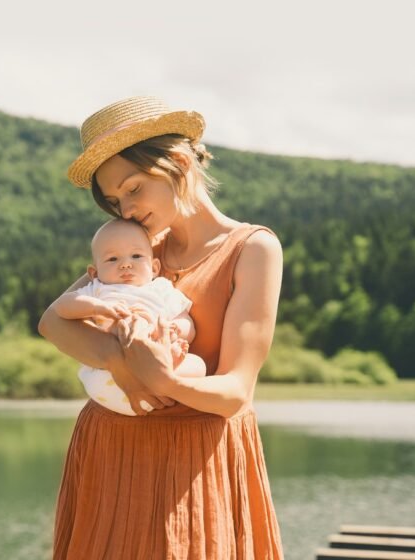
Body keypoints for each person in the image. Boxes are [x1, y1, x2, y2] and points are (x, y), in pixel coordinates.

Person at [39, 96, 285, 559]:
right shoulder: (137, 247)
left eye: (133, 189)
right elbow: (53, 321)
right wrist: (121, 364)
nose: (125, 210)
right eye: (114, 201)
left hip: (197, 459)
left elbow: (235, 392)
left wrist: (162, 379)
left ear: (177, 161)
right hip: (112, 449)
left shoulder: (252, 248)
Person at [53, 218, 207, 416]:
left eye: (136, 256)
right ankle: (161, 365)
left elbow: (187, 322)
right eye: (112, 259)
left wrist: (175, 328)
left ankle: (167, 363)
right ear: (94, 273)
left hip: (154, 369)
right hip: (110, 381)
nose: (125, 265)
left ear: (154, 268)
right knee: (105, 357)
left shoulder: (160, 288)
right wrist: (97, 308)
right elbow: (61, 307)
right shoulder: (98, 290)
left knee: (198, 366)